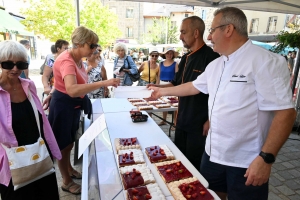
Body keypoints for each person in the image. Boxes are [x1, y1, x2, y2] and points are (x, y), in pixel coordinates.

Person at [149, 7, 296, 200]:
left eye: (212, 30)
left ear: (228, 30)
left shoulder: (266, 61)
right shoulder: (216, 64)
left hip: (246, 160)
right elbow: (193, 86)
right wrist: (161, 91)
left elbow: (285, 113)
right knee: (210, 196)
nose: (209, 36)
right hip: (212, 154)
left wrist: (266, 158)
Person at [43, 26, 120, 195]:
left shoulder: (78, 60)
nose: (94, 49)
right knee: (62, 145)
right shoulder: (67, 60)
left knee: (70, 142)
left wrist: (53, 92)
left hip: (72, 105)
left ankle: (69, 168)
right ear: (79, 44)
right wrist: (103, 83)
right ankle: (66, 181)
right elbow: (71, 89)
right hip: (64, 106)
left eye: (95, 46)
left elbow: (62, 82)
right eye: (92, 45)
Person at [148, 16, 219, 171]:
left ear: (195, 33)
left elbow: (218, 94)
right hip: (181, 120)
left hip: (199, 124)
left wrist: (210, 119)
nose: (180, 36)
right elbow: (177, 83)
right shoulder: (186, 57)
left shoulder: (212, 58)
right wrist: (158, 86)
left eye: (183, 32)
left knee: (195, 166)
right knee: (180, 162)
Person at [0, 40, 61, 199]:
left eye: (20, 64)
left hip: (38, 152)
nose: (15, 69)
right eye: (8, 64)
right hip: (11, 159)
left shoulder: (28, 85)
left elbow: (39, 119)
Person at [157, 47, 179, 127]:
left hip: (171, 85)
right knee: (163, 103)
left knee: (174, 103)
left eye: (171, 53)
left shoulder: (175, 64)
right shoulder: (161, 63)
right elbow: (159, 76)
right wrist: (157, 85)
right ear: (165, 54)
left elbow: (177, 77)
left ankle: (175, 123)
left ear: (173, 55)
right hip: (162, 84)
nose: (169, 55)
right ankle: (164, 120)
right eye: (168, 53)